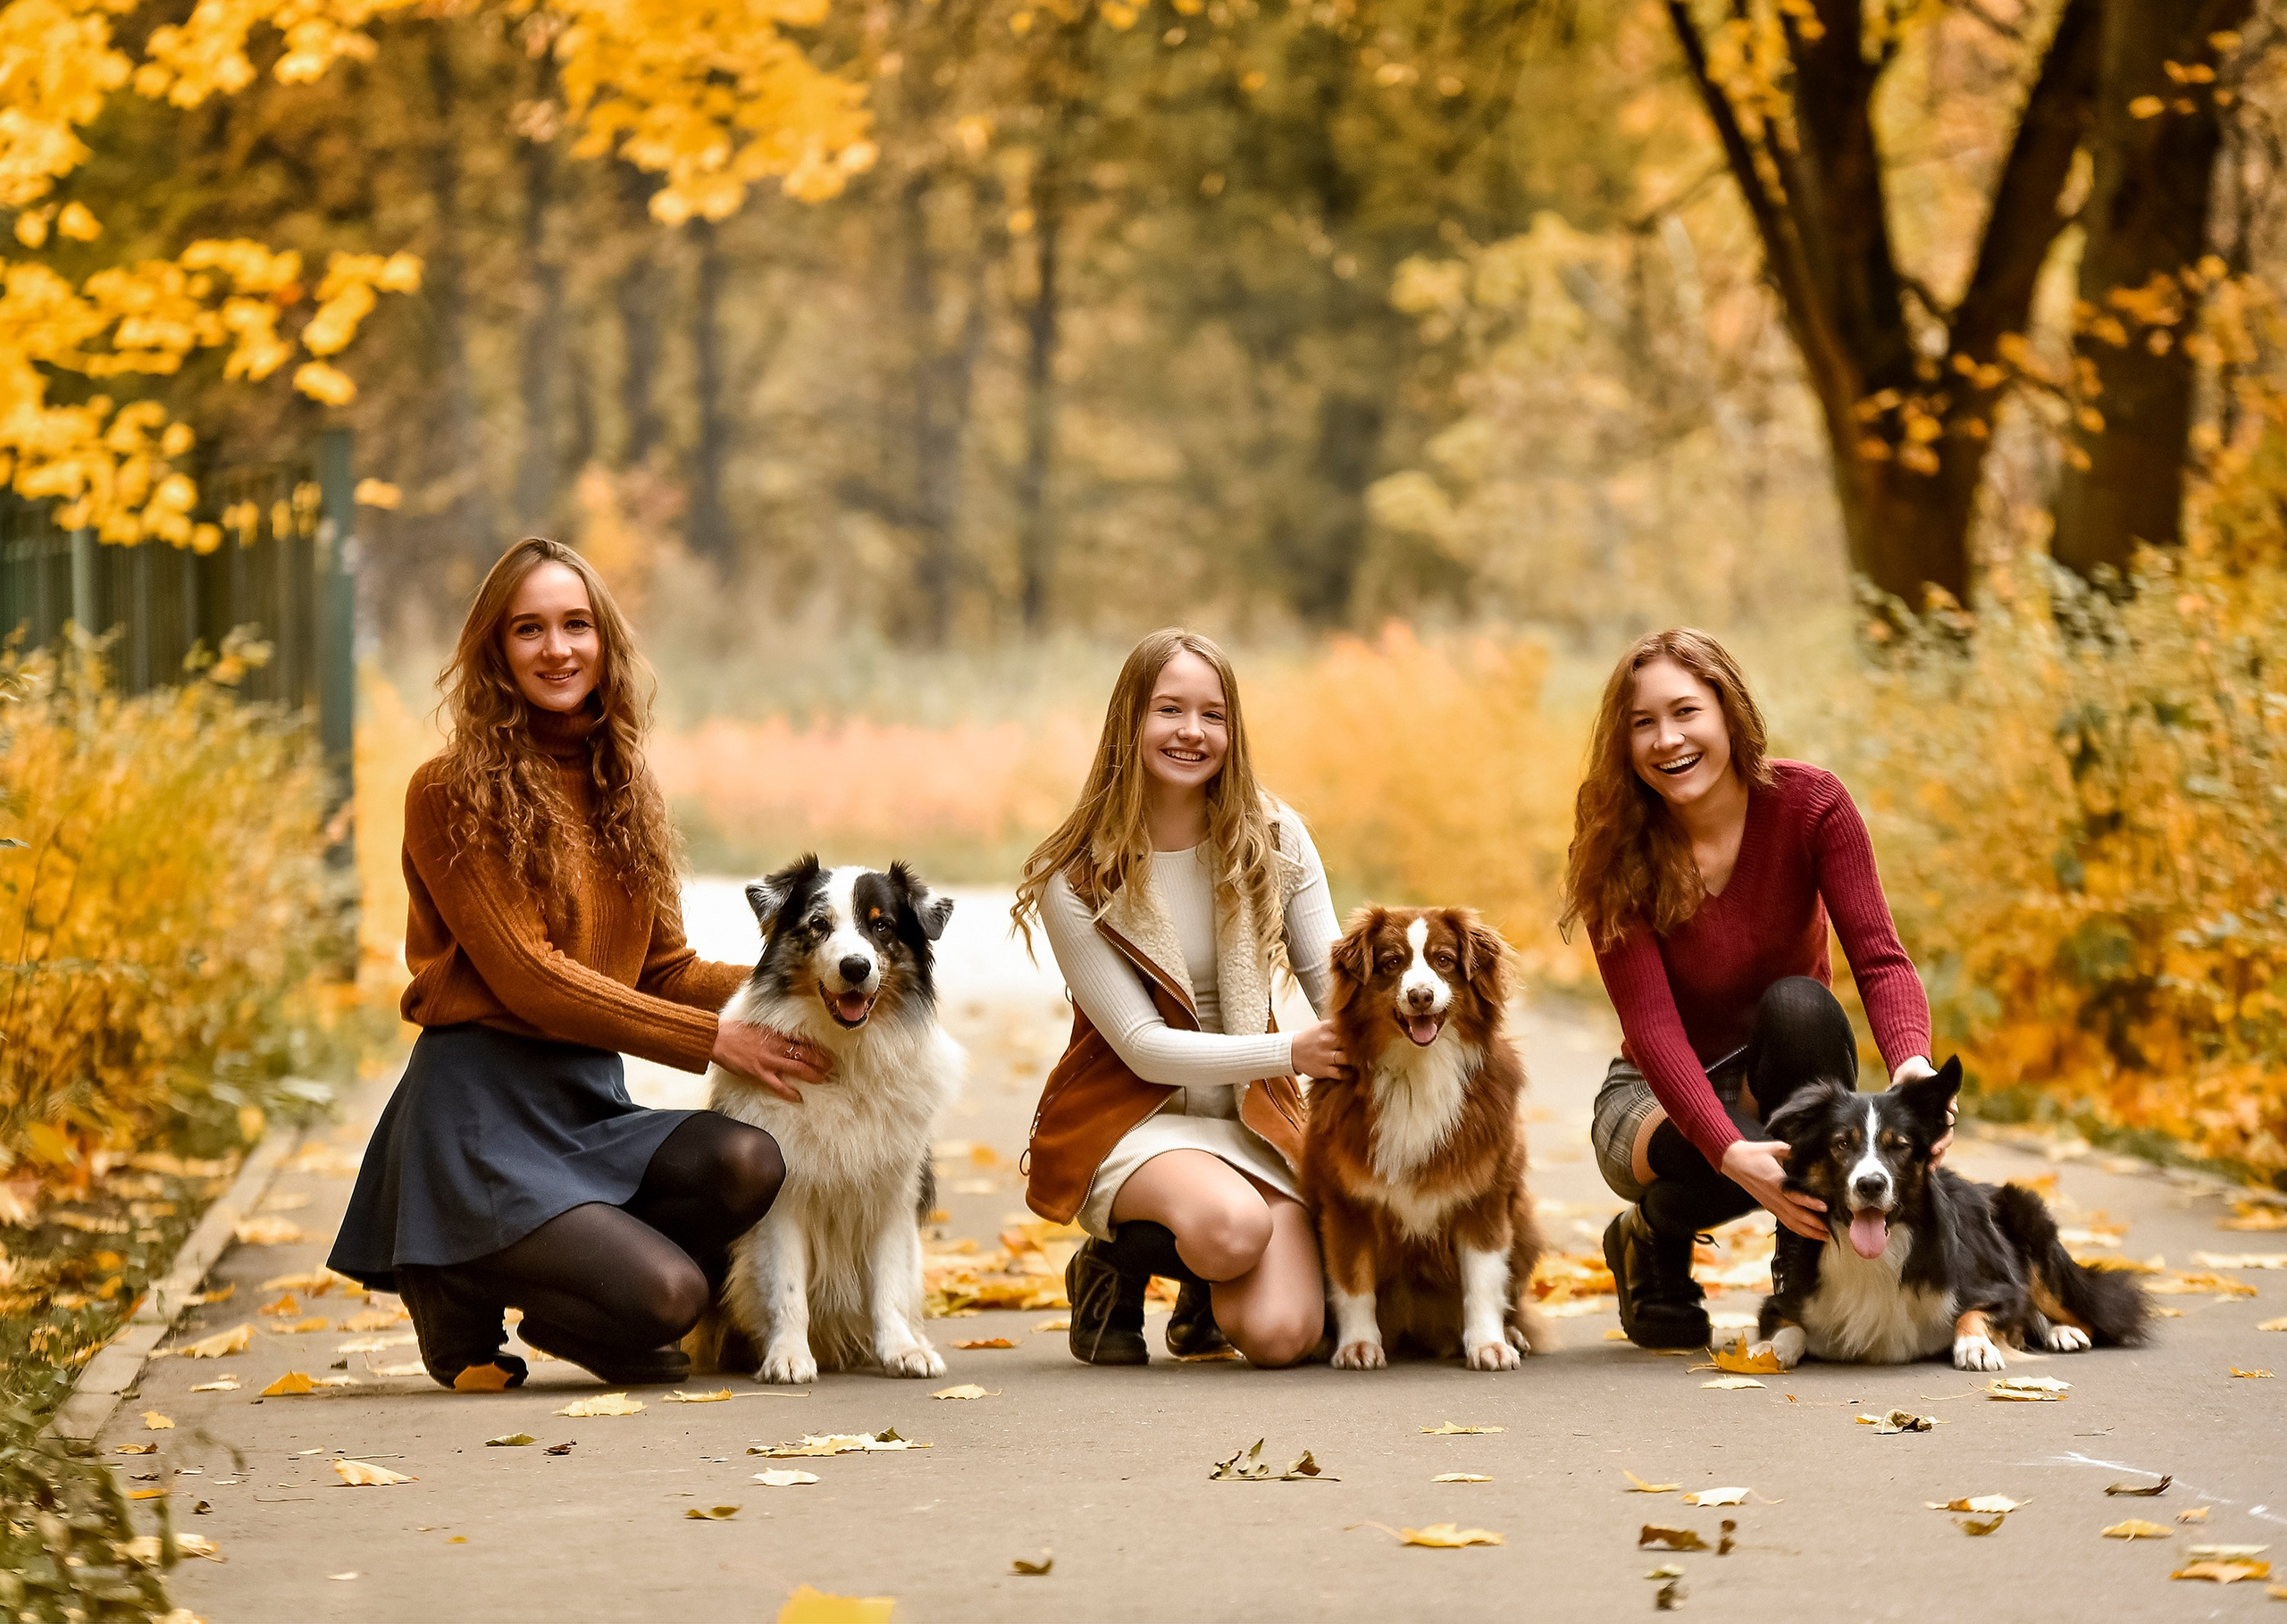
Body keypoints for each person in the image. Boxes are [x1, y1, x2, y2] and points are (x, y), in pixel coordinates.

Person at [330, 538, 829, 1390]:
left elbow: (664, 969)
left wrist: (803, 987)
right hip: (477, 1114)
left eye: (576, 625)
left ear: (606, 642)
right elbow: (531, 976)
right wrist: (716, 1038)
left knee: (749, 1162)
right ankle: (455, 1275)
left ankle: (567, 1307)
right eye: (528, 629)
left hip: (586, 1103)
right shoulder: (449, 789)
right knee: (674, 1298)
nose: (556, 649)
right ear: (495, 649)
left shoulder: (625, 784)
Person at [1561, 628, 1948, 1350]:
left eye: (1686, 712)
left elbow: (1880, 959)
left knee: (1801, 1006)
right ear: (1623, 742)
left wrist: (1912, 1065)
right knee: (1719, 1147)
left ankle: (1799, 1274)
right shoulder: (1614, 843)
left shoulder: (1811, 805)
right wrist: (1727, 1150)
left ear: (1728, 711)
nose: (1667, 739)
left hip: (1783, 1071)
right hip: (1653, 1091)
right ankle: (1650, 1239)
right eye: (1642, 723)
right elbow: (1652, 1030)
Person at [1014, 629, 1345, 1368]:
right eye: (1170, 710)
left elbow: (1336, 987)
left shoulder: (1276, 837)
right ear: (1129, 721)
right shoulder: (1076, 878)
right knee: (1232, 1229)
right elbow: (1142, 1047)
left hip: (1251, 1116)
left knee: (1284, 1336)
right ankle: (1112, 1264)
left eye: (1213, 715)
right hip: (1133, 1118)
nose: (1192, 732)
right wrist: (1290, 1052)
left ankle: (1204, 1294)